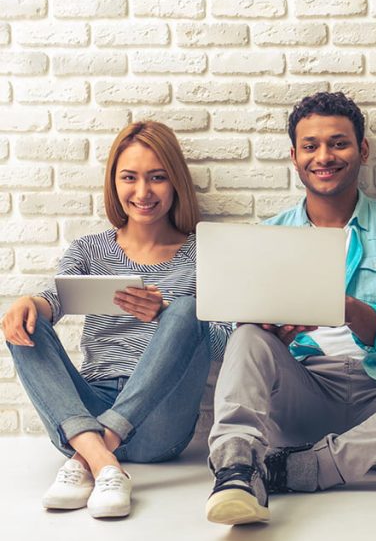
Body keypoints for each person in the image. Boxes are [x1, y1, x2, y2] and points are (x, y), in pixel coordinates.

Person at [204, 91, 376, 526]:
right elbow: (232, 348)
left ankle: (309, 468)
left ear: (362, 150)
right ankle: (236, 469)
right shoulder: (268, 235)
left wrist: (345, 307)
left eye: (338, 143)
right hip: (302, 390)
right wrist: (266, 329)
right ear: (294, 157)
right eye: (310, 146)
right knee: (246, 335)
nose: (324, 156)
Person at [2, 121, 227, 519]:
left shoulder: (205, 253)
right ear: (114, 183)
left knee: (187, 310)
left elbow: (226, 342)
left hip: (160, 421)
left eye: (157, 178)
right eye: (130, 178)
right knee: (24, 322)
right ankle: (103, 462)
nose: (143, 192)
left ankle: (88, 455)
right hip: (87, 409)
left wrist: (164, 314)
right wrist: (30, 303)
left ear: (175, 182)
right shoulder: (89, 250)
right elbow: (53, 299)